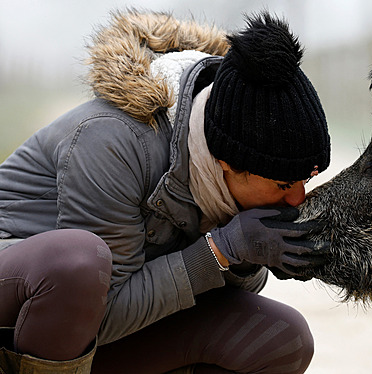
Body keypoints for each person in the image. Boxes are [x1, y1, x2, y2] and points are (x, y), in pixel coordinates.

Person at [0, 9, 330, 374]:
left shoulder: (220, 159)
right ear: (226, 162)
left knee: (281, 339)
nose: (298, 198)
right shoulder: (114, 140)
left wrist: (248, 256)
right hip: (26, 302)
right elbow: (96, 311)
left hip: (93, 336)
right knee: (78, 261)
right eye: (284, 184)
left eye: (305, 180)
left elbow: (212, 292)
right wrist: (221, 249)